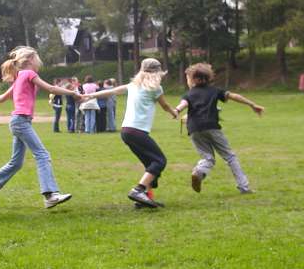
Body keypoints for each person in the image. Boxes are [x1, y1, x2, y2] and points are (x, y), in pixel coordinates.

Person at [0, 46, 81, 209]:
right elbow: (51, 88)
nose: (39, 63)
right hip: (21, 121)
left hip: (18, 122)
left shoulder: (19, 77)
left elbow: (3, 97)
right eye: (37, 59)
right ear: (30, 59)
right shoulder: (29, 74)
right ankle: (50, 195)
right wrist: (73, 93)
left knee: (16, 163)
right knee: (42, 155)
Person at [83, 58, 178, 208]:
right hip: (137, 131)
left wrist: (91, 95)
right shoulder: (156, 89)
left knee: (150, 164)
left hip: (126, 131)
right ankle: (138, 190)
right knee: (160, 161)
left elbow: (112, 91)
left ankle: (145, 199)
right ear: (157, 73)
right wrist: (174, 112)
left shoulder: (133, 85)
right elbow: (165, 105)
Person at [173, 63, 264, 194]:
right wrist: (252, 105)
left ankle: (199, 171)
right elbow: (234, 96)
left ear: (194, 79)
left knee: (208, 158)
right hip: (212, 127)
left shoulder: (189, 94)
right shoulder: (215, 90)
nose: (187, 81)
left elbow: (183, 104)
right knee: (230, 157)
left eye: (188, 78)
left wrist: (176, 110)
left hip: (194, 129)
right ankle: (244, 187)